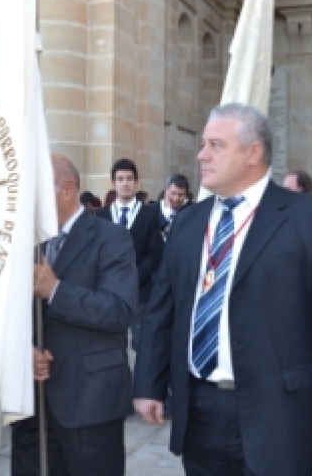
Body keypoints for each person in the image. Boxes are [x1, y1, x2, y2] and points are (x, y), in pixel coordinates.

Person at [133, 103, 312, 476]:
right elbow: (163, 309)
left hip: (280, 413)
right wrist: (148, 382)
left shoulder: (311, 220)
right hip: (200, 410)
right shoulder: (188, 222)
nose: (201, 155)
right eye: (203, 145)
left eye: (215, 145)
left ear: (252, 153)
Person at [30, 154, 138, 476]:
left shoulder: (111, 237)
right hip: (35, 402)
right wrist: (27, 350)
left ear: (66, 189)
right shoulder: (31, 242)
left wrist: (56, 290)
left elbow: (119, 310)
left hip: (89, 402)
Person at [97, 158, 163, 351]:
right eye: (120, 179)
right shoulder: (102, 216)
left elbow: (154, 253)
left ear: (136, 182)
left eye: (129, 179)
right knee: (111, 345)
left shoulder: (150, 214)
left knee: (141, 344)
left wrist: (134, 278)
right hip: (108, 291)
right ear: (113, 183)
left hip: (141, 291)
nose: (125, 183)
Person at [159, 173, 191, 241]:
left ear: (186, 195)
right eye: (173, 193)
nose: (176, 198)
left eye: (180, 195)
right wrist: (168, 211)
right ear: (166, 191)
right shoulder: (153, 209)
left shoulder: (192, 210)